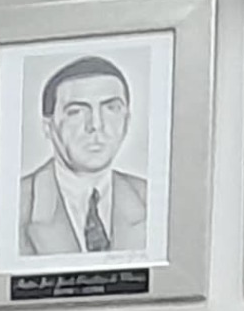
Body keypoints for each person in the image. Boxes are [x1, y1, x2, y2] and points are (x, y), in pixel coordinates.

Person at [18, 54, 150, 259]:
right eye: (76, 111)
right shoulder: (16, 205)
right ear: (48, 126)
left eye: (111, 108)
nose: (96, 124)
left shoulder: (151, 199)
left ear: (127, 120)